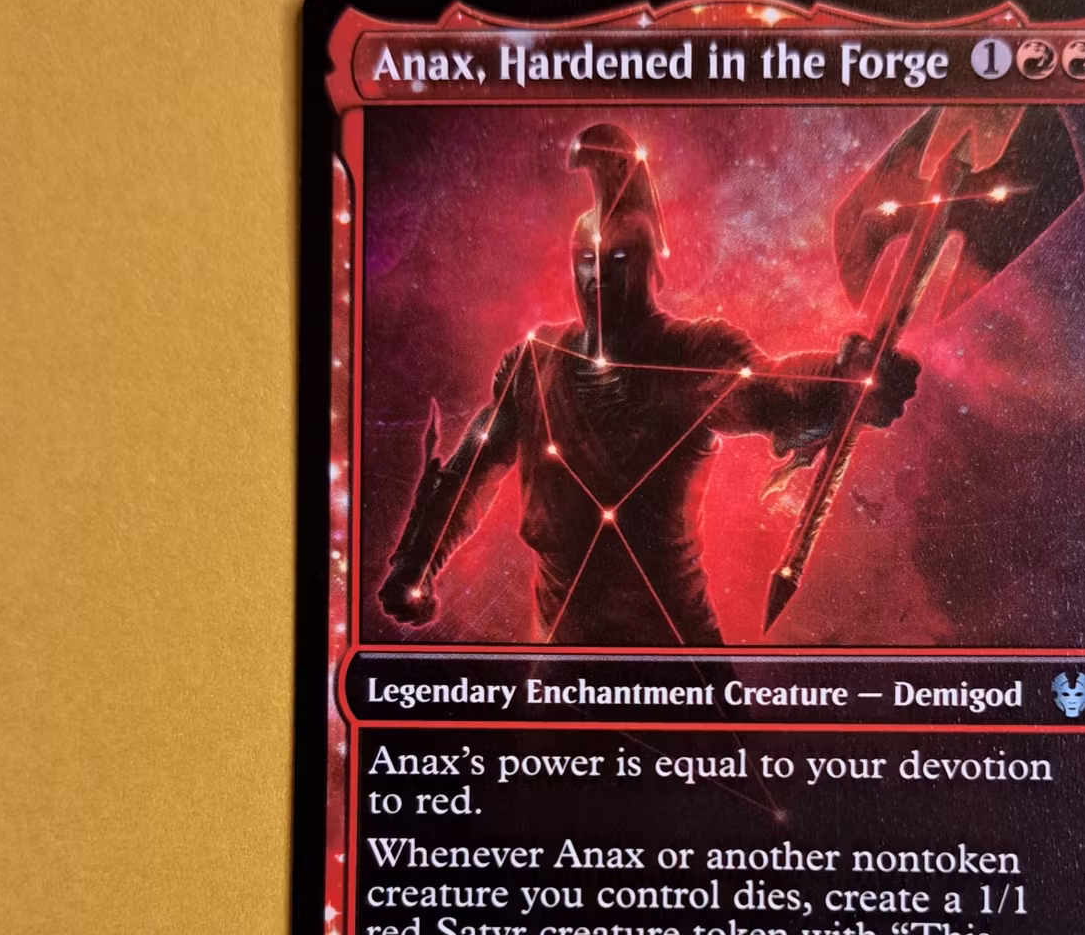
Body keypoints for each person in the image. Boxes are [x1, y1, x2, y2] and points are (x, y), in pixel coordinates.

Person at [378, 123, 918, 646]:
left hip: (673, 645)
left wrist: (846, 381)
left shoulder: (690, 354)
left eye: (616, 260)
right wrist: (416, 560)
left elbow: (773, 394)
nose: (598, 277)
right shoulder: (537, 363)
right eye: (585, 260)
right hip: (565, 651)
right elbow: (472, 468)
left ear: (646, 265)